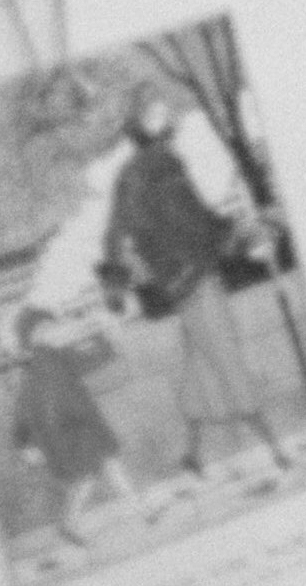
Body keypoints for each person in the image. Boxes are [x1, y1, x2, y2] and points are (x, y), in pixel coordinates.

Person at [102, 86, 289, 480]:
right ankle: (274, 446)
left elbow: (116, 234)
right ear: (149, 127)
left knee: (201, 365)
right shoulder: (165, 163)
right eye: (161, 115)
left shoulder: (128, 175)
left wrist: (116, 285)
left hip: (178, 282)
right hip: (197, 276)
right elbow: (197, 219)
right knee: (226, 358)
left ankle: (192, 453)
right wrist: (242, 234)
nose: (170, 119)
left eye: (166, 113)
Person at [11, 306, 146, 547]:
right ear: (32, 335)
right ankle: (71, 523)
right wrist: (24, 443)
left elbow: (89, 360)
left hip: (81, 426)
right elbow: (23, 408)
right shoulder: (33, 367)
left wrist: (103, 338)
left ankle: (139, 508)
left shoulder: (53, 355)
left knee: (106, 467)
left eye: (50, 326)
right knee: (89, 476)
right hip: (68, 432)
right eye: (45, 328)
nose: (51, 331)